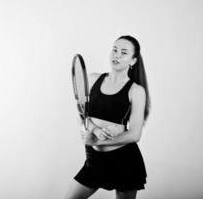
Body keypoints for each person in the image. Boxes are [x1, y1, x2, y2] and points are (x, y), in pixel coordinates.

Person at [65, 35, 151, 199]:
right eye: (114, 50)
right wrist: (95, 130)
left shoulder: (136, 91)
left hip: (124, 162)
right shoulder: (93, 79)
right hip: (94, 160)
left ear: (133, 61)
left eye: (124, 52)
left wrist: (97, 141)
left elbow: (135, 134)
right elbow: (82, 117)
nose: (116, 55)